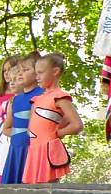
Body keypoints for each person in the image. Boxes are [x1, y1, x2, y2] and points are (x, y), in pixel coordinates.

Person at [22, 53, 84, 184]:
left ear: (55, 71)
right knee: (34, 191)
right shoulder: (37, 99)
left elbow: (77, 124)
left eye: (40, 73)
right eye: (36, 73)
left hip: (48, 151)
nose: (36, 77)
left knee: (47, 190)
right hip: (34, 149)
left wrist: (57, 133)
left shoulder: (59, 96)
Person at [1, 52, 45, 184]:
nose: (20, 74)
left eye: (25, 70)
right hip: (15, 152)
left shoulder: (43, 95)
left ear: (37, 73)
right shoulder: (15, 100)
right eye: (19, 70)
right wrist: (20, 132)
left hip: (33, 152)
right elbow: (6, 128)